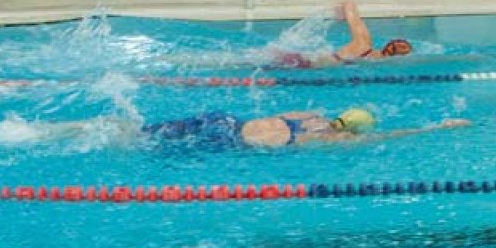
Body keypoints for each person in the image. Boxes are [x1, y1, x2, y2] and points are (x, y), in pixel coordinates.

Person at [141, 106, 469, 150]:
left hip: (223, 121)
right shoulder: (332, 140)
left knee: (143, 134)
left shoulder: (308, 115)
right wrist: (438, 127)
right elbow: (389, 136)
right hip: (229, 142)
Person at [270, 0, 413, 68]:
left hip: (309, 60)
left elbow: (349, 5)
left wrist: (342, 12)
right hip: (311, 64)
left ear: (387, 44)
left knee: (271, 56)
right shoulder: (375, 62)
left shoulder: (363, 43)